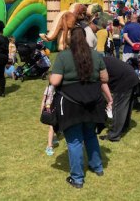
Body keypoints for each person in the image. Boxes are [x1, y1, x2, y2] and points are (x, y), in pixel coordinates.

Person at [49, 26, 109, 188]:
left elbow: (54, 81)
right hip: (92, 102)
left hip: (71, 103)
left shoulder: (63, 56)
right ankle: (97, 167)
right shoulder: (95, 55)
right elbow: (105, 77)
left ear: (69, 39)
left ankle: (77, 178)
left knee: (74, 141)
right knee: (90, 135)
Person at [100, 56, 139, 141]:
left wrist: (110, 100)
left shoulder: (98, 64)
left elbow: (103, 84)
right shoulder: (103, 59)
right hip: (132, 76)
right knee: (126, 106)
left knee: (118, 108)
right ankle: (124, 127)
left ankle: (114, 135)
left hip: (124, 80)